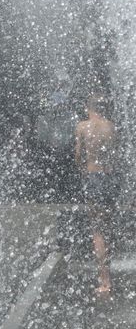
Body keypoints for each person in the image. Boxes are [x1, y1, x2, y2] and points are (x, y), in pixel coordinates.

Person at [75, 92, 121, 301]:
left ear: (88, 108)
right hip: (109, 178)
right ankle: (108, 275)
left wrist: (83, 170)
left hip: (93, 177)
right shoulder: (110, 127)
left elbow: (78, 156)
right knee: (108, 228)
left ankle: (105, 282)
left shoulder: (82, 127)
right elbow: (115, 155)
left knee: (97, 232)